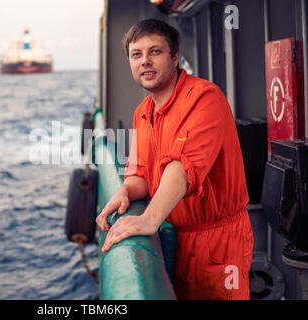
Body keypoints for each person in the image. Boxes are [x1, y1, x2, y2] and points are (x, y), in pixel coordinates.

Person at [95, 19, 254, 300]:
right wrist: (125, 191)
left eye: (154, 51)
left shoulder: (204, 98)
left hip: (220, 240)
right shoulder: (143, 112)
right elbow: (141, 174)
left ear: (175, 57)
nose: (145, 61)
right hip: (181, 240)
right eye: (136, 54)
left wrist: (150, 218)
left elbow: (183, 166)